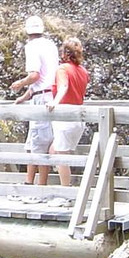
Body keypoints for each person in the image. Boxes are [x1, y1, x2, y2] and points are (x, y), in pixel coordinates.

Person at [9, 15, 59, 197]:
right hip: (49, 95)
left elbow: (35, 75)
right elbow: (47, 76)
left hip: (42, 100)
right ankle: (31, 184)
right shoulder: (51, 45)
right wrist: (26, 95)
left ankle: (38, 189)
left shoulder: (31, 47)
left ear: (27, 31)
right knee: (36, 142)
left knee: (39, 144)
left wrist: (20, 83)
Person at [46, 37, 89, 189]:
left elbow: (63, 86)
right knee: (53, 151)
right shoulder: (83, 71)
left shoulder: (63, 69)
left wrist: (55, 102)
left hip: (65, 118)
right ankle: (62, 184)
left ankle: (66, 191)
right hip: (78, 119)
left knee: (61, 156)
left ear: (64, 53)